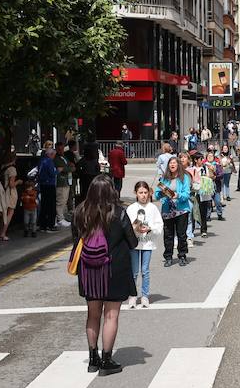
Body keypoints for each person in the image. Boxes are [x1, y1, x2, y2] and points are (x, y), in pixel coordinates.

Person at [73, 177, 137, 376]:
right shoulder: (119, 213)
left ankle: (93, 359)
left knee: (92, 315)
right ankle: (107, 360)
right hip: (113, 269)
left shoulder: (79, 212)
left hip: (89, 270)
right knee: (111, 315)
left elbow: (75, 241)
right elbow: (133, 242)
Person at [125, 181, 158, 309]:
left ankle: (145, 296)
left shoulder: (152, 208)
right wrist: (134, 228)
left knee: (145, 271)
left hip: (147, 243)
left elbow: (159, 225)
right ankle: (132, 296)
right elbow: (126, 226)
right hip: (134, 243)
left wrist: (150, 228)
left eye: (145, 192)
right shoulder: (131, 208)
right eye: (141, 193)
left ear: (149, 193)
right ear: (136, 193)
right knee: (134, 271)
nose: (143, 195)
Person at [157, 156, 192, 267]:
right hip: (168, 210)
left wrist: (178, 195)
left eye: (174, 163)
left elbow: (187, 194)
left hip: (181, 210)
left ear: (178, 165)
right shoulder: (164, 178)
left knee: (182, 234)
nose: (172, 165)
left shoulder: (184, 177)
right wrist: (161, 193)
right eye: (170, 163)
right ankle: (168, 257)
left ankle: (182, 255)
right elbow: (157, 194)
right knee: (168, 235)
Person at [0, 151, 18, 241]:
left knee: (4, 214)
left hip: (3, 192)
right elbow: (12, 184)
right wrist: (19, 181)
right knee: (9, 213)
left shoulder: (3, 168)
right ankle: (3, 232)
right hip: (10, 193)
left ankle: (0, 232)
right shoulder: (12, 169)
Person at [36, 147, 58, 232]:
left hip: (43, 184)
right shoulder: (49, 162)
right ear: (50, 154)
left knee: (44, 205)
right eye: (53, 155)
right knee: (51, 205)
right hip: (50, 184)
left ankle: (43, 225)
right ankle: (50, 225)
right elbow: (52, 173)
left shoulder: (41, 161)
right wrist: (57, 171)